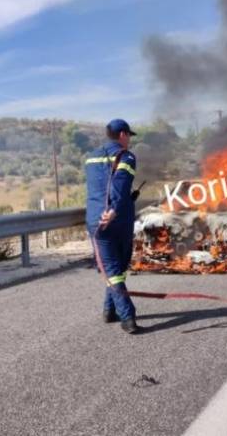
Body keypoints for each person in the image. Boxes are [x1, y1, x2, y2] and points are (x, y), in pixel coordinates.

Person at [85, 119, 142, 333]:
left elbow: (99, 186)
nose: (129, 141)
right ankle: (128, 317)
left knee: (113, 268)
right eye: (129, 136)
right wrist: (114, 209)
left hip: (95, 219)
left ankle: (109, 310)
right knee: (116, 268)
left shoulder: (91, 157)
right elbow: (119, 184)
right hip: (117, 220)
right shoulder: (126, 156)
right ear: (123, 135)